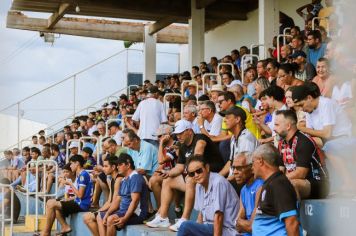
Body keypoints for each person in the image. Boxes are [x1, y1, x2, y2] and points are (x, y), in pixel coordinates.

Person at [146, 120, 225, 231]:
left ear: (189, 131)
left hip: (214, 175)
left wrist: (191, 170)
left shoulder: (200, 138)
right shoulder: (183, 146)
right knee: (168, 180)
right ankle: (163, 217)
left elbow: (198, 154)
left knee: (190, 178)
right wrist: (168, 173)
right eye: (177, 134)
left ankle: (185, 218)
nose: (178, 136)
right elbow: (179, 168)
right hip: (199, 177)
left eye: (181, 133)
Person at [292, 83, 356, 194]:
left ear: (309, 98)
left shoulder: (326, 103)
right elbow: (311, 136)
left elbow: (327, 133)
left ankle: (349, 182)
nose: (302, 109)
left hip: (344, 138)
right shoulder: (309, 110)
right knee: (307, 144)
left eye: (302, 105)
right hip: (329, 140)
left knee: (329, 146)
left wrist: (300, 128)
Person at [177, 156, 239, 236]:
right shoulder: (199, 186)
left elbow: (219, 217)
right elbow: (201, 215)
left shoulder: (218, 182)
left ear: (207, 168)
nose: (196, 175)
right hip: (209, 228)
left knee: (185, 226)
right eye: (192, 174)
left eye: (199, 171)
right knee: (190, 230)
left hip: (226, 230)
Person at [274, 110, 329, 200]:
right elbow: (281, 168)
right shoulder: (282, 143)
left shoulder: (303, 141)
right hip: (300, 181)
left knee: (290, 185)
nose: (274, 128)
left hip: (319, 183)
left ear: (288, 126)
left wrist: (277, 180)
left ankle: (293, 214)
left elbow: (301, 173)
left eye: (277, 125)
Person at [251, 144, 302, 236]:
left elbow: (292, 223)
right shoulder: (270, 183)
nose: (252, 167)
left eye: (253, 162)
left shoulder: (279, 184)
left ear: (260, 160)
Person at [39, 155, 93, 236]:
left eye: (71, 164)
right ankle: (64, 227)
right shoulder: (81, 174)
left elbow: (80, 195)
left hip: (81, 204)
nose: (70, 166)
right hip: (78, 202)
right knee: (55, 208)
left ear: (77, 163)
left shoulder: (83, 175)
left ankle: (46, 232)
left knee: (50, 203)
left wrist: (70, 184)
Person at [105, 153, 148, 235]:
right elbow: (118, 199)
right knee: (105, 217)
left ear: (128, 165)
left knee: (111, 219)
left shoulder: (135, 177)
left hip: (137, 214)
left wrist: (125, 218)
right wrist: (107, 213)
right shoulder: (124, 179)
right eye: (117, 165)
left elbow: (135, 201)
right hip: (124, 211)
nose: (117, 167)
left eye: (120, 164)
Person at [83, 156, 122, 236]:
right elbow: (109, 201)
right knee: (87, 217)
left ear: (113, 167)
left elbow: (115, 202)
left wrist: (104, 213)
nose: (103, 169)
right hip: (113, 208)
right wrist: (99, 211)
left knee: (98, 217)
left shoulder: (119, 179)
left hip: (119, 210)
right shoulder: (111, 179)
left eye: (106, 166)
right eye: (103, 166)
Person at [219, 106, 258, 181]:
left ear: (237, 119)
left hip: (245, 179)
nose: (224, 120)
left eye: (227, 118)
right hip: (235, 177)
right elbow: (231, 161)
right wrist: (218, 177)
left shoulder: (246, 138)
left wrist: (227, 181)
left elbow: (245, 168)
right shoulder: (234, 137)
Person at [233, 153, 263, 236]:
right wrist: (242, 223)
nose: (235, 172)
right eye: (234, 168)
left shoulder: (261, 186)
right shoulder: (243, 190)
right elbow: (237, 224)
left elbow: (253, 226)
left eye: (239, 168)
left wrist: (241, 223)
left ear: (251, 167)